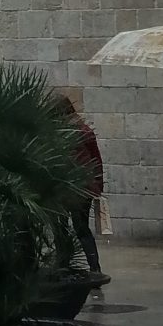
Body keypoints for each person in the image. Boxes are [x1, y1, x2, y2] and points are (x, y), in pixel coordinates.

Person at [70, 114, 104, 275]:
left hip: (79, 187)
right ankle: (94, 268)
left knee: (79, 227)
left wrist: (98, 185)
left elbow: (95, 159)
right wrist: (98, 185)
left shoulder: (81, 131)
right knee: (81, 227)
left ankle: (92, 267)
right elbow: (96, 159)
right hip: (82, 186)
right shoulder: (83, 130)